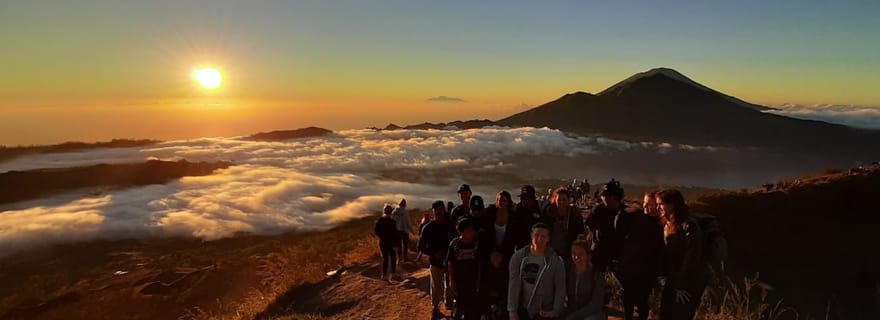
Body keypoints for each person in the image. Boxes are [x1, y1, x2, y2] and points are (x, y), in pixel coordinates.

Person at [656, 189, 707, 320]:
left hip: (686, 285)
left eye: (660, 204)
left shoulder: (689, 226)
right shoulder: (668, 225)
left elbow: (691, 258)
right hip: (673, 281)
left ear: (672, 205)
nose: (658, 207)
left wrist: (681, 285)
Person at [615, 192, 665, 320]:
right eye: (644, 203)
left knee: (641, 300)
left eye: (649, 204)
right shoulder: (635, 216)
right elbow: (619, 226)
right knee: (629, 298)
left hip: (647, 270)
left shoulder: (662, 225)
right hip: (630, 266)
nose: (645, 206)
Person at [508, 223, 566, 320]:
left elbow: (560, 289)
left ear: (548, 239)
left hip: (545, 310)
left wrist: (555, 312)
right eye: (536, 235)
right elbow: (513, 285)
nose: (539, 239)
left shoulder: (556, 261)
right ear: (531, 235)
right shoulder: (518, 257)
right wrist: (512, 311)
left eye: (543, 236)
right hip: (524, 308)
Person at [419, 200, 458, 319]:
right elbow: (420, 246)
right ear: (433, 211)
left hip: (450, 261)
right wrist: (433, 253)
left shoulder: (451, 226)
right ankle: (435, 307)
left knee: (450, 284)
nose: (439, 212)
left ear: (444, 210)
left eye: (441, 209)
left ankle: (449, 304)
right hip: (436, 262)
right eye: (436, 209)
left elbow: (457, 241)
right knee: (436, 286)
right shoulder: (428, 228)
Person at [584, 179, 627, 273]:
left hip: (618, 255)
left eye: (607, 196)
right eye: (603, 196)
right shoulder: (598, 210)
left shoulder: (625, 213)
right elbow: (589, 231)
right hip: (599, 253)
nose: (604, 198)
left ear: (615, 197)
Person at [447, 218, 483, 320]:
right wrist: (451, 281)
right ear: (461, 232)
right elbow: (450, 263)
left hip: (472, 283)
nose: (471, 233)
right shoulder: (455, 244)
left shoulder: (477, 245)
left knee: (471, 311)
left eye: (472, 230)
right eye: (468, 231)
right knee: (458, 308)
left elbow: (480, 264)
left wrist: (479, 283)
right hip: (459, 282)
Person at [565, 235, 606, 320]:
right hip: (570, 312)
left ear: (588, 255)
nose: (576, 257)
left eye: (581, 254)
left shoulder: (596, 275)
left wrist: (575, 316)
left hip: (591, 314)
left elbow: (596, 304)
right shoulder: (567, 271)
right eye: (574, 253)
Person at [546, 187, 586, 263]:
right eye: (559, 200)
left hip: (569, 252)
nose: (561, 202)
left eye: (564, 199)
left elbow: (581, 232)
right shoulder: (549, 213)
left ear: (568, 200)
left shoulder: (574, 214)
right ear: (555, 200)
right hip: (551, 251)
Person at [510, 185, 545, 251]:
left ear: (532, 199)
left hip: (537, 245)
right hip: (521, 246)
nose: (524, 200)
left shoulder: (539, 208)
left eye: (527, 198)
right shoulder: (517, 209)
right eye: (522, 198)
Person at [482, 247, 510, 320]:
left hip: (503, 303)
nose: (495, 258)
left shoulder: (507, 272)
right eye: (493, 255)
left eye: (498, 255)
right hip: (488, 302)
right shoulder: (485, 273)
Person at [374, 204, 399, 282]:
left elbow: (376, 231)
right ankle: (393, 273)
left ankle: (384, 275)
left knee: (385, 258)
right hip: (391, 242)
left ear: (384, 211)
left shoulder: (380, 220)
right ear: (391, 212)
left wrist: (381, 236)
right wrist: (396, 244)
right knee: (393, 257)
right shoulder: (393, 222)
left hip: (383, 242)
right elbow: (395, 234)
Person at [392, 198, 415, 262]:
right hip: (405, 231)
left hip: (397, 231)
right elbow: (408, 223)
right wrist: (412, 231)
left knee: (399, 245)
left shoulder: (394, 211)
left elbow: (392, 221)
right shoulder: (405, 212)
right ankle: (405, 258)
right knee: (405, 245)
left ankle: (399, 259)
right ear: (405, 204)